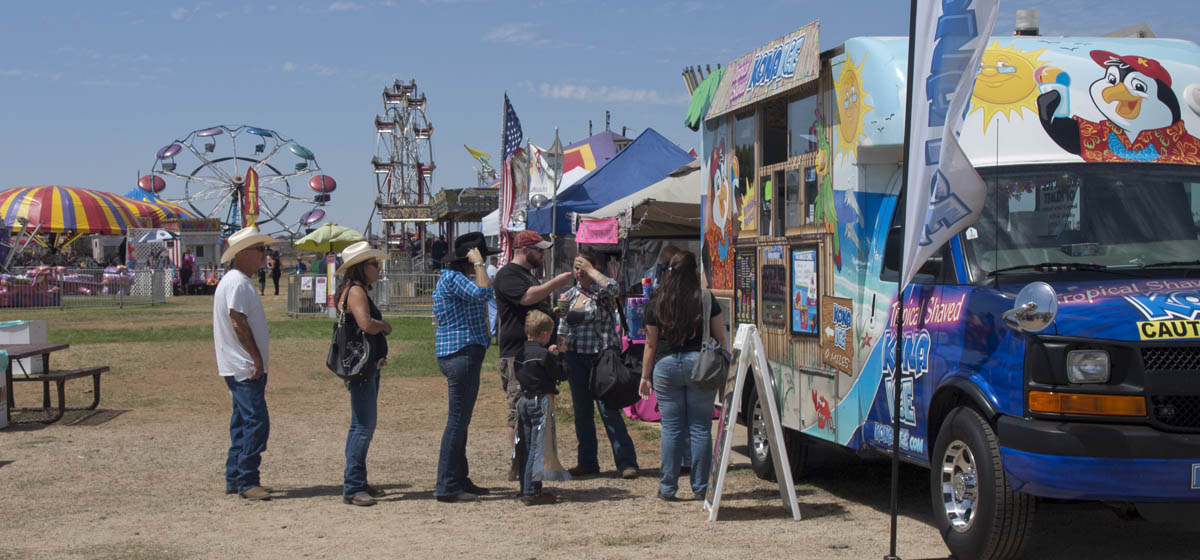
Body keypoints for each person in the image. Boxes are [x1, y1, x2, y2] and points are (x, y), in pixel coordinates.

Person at [638, 251, 727, 501]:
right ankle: (701, 488)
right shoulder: (705, 298)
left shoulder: (657, 300)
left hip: (665, 366)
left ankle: (667, 487)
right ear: (694, 271)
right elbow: (721, 337)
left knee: (671, 429)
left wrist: (645, 376)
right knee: (700, 428)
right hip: (700, 364)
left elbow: (650, 344)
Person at [493, 230, 573, 481]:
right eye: (538, 250)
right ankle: (521, 464)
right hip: (517, 353)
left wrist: (553, 313)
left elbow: (536, 305)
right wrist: (555, 283)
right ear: (524, 250)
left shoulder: (528, 275)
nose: (541, 254)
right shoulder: (507, 275)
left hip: (536, 352)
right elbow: (526, 299)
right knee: (518, 408)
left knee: (537, 406)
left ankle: (533, 463)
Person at [557, 250, 639, 479]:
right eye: (576, 266)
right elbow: (562, 329)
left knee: (609, 410)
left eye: (583, 266)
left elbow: (615, 289)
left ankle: (626, 463)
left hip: (603, 357)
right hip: (576, 357)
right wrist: (561, 355)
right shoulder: (568, 295)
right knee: (582, 413)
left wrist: (592, 272)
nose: (579, 271)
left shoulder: (602, 293)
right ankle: (587, 462)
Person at [432, 232, 498, 503]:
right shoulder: (456, 279)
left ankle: (459, 477)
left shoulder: (451, 278)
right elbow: (485, 293)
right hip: (462, 352)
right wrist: (481, 265)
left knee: (461, 421)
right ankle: (447, 484)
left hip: (458, 352)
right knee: (458, 422)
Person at [212, 226, 277, 501]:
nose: (266, 255)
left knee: (241, 421)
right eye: (261, 250)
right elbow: (238, 322)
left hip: (237, 364)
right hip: (243, 366)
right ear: (245, 253)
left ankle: (236, 477)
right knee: (256, 422)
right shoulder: (237, 282)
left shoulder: (235, 281)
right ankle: (248, 480)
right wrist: (256, 358)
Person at [333, 241, 392, 507]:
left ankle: (357, 481)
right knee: (362, 426)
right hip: (362, 368)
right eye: (373, 264)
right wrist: (385, 326)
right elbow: (365, 324)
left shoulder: (352, 289)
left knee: (361, 425)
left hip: (364, 366)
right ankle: (354, 486)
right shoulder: (355, 291)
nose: (378, 268)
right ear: (360, 267)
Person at [515, 310, 568, 506]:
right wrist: (560, 356)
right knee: (538, 448)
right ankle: (532, 491)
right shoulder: (544, 356)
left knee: (527, 446)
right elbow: (561, 374)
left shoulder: (520, 353)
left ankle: (524, 486)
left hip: (524, 400)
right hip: (540, 401)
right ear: (545, 334)